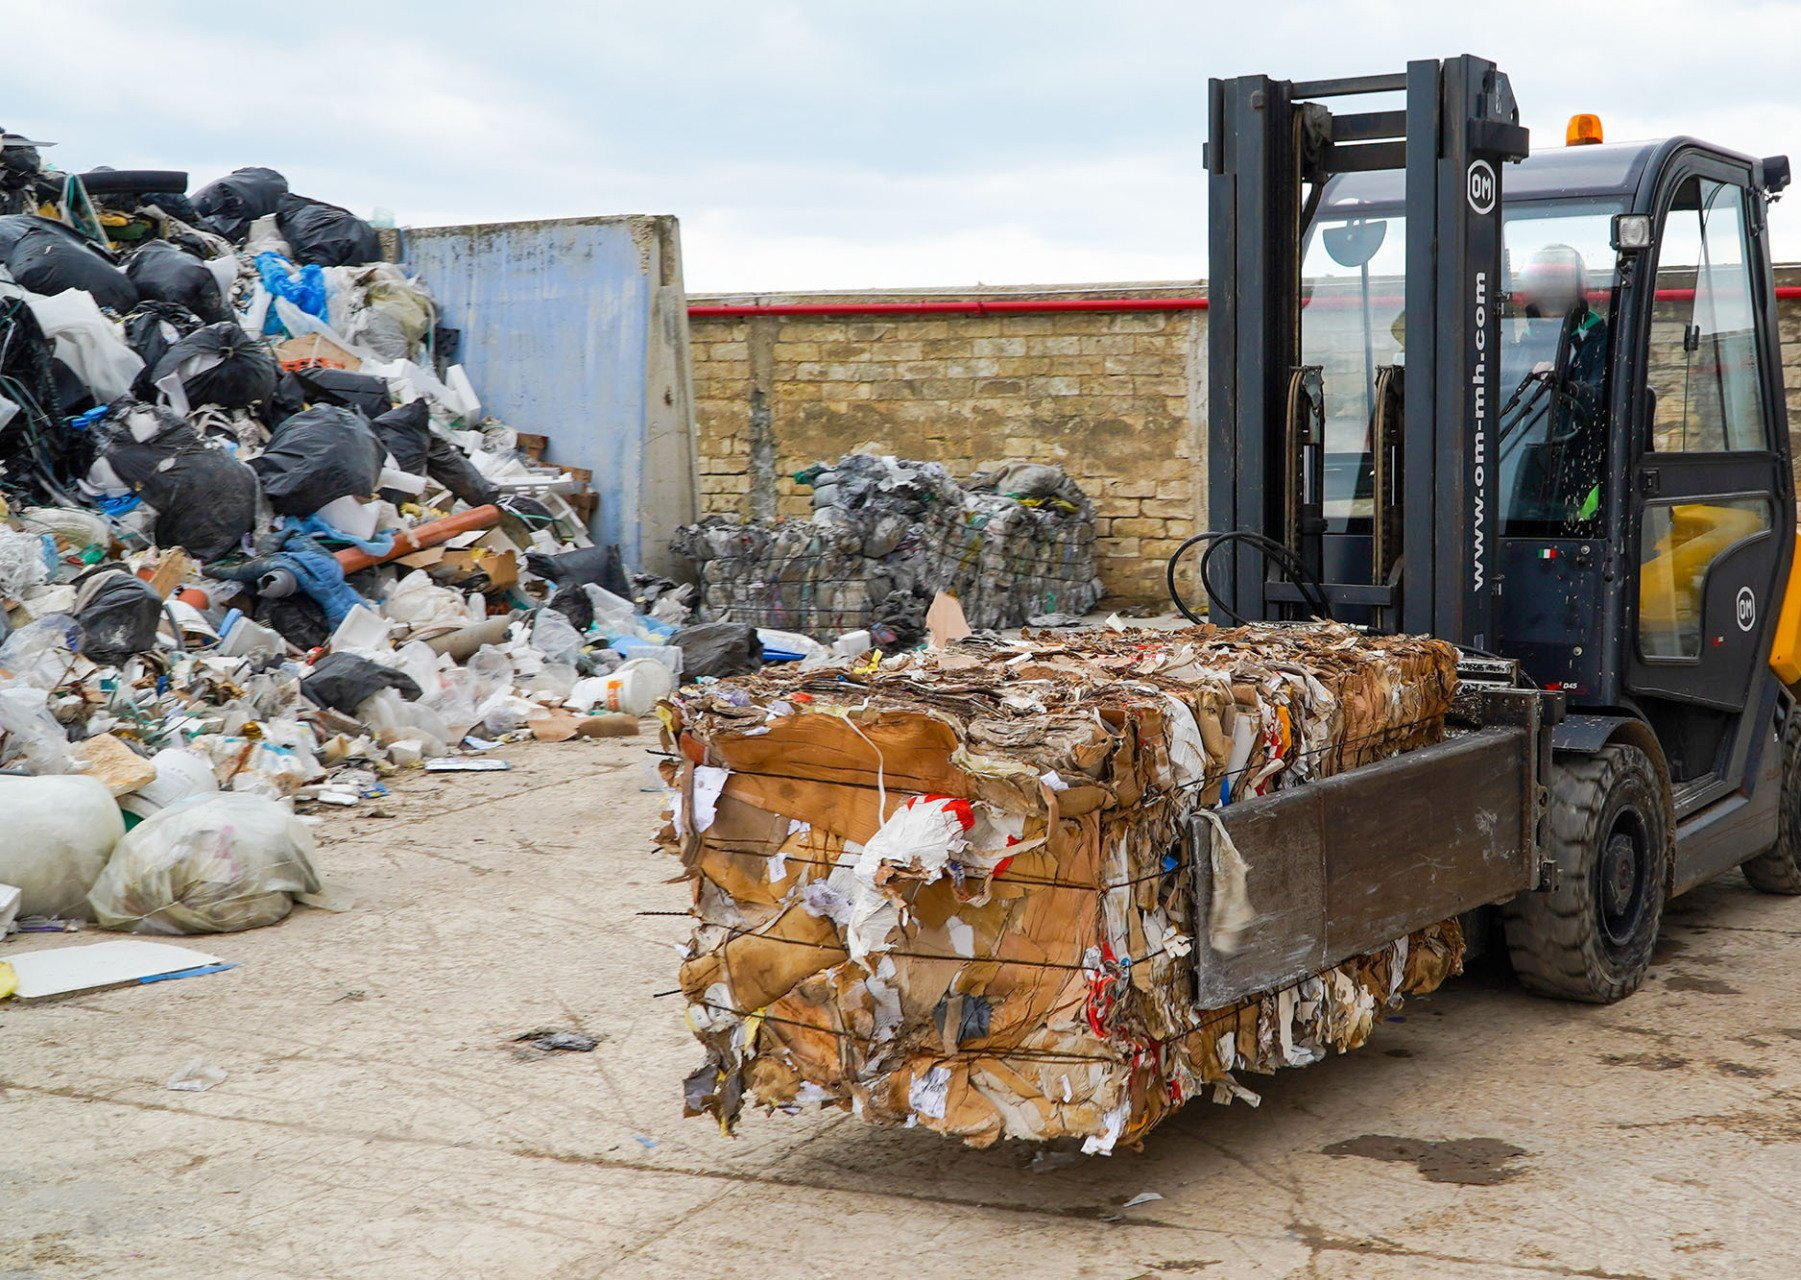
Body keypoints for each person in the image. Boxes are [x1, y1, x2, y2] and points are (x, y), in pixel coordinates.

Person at [1513, 243, 1609, 524]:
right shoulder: (1517, 347)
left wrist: (1566, 387)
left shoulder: (1600, 343)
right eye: (1544, 283)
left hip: (1580, 476)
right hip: (1518, 470)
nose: (1550, 290)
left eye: (1558, 283)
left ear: (1577, 291)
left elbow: (1606, 404)